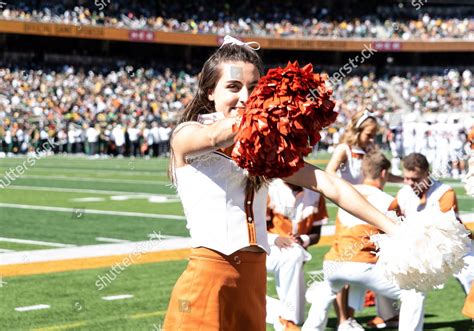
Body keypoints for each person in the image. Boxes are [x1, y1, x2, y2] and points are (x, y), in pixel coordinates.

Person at [163, 36, 397, 331]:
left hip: (254, 281)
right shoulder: (187, 135)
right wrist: (277, 111)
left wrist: (395, 228)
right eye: (234, 87)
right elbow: (214, 138)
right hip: (209, 278)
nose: (246, 97)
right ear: (210, 91)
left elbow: (330, 185)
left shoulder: (263, 151)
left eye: (254, 88)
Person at [303, 151, 425, 331]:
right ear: (384, 173)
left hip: (333, 262)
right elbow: (398, 236)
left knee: (327, 291)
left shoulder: (347, 192)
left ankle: (311, 328)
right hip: (362, 264)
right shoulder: (387, 200)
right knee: (414, 292)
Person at [325, 110, 401, 330]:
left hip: (367, 211)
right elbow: (329, 174)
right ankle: (343, 320)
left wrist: (406, 179)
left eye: (375, 135)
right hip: (348, 210)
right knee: (344, 262)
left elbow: (381, 173)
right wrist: (356, 192)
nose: (372, 139)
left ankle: (366, 316)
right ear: (357, 130)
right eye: (369, 134)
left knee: (366, 261)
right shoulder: (344, 149)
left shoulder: (370, 150)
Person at [266, 180, 328, 330]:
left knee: (294, 255)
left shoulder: (315, 193)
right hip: (268, 248)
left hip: (298, 250)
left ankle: (288, 318)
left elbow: (316, 234)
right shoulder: (271, 189)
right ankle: (287, 319)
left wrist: (302, 239)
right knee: (293, 255)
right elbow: (257, 226)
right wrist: (276, 239)